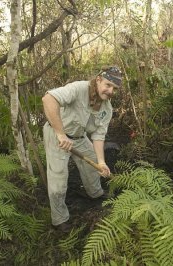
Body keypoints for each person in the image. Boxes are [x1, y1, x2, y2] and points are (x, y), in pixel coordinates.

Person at [42, 66, 122, 233]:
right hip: (57, 135)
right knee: (58, 181)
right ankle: (59, 220)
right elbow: (48, 100)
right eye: (108, 85)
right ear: (98, 79)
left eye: (114, 88)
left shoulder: (107, 108)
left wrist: (101, 162)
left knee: (92, 163)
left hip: (78, 137)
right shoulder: (78, 89)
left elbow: (98, 136)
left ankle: (94, 193)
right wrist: (60, 134)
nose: (110, 91)